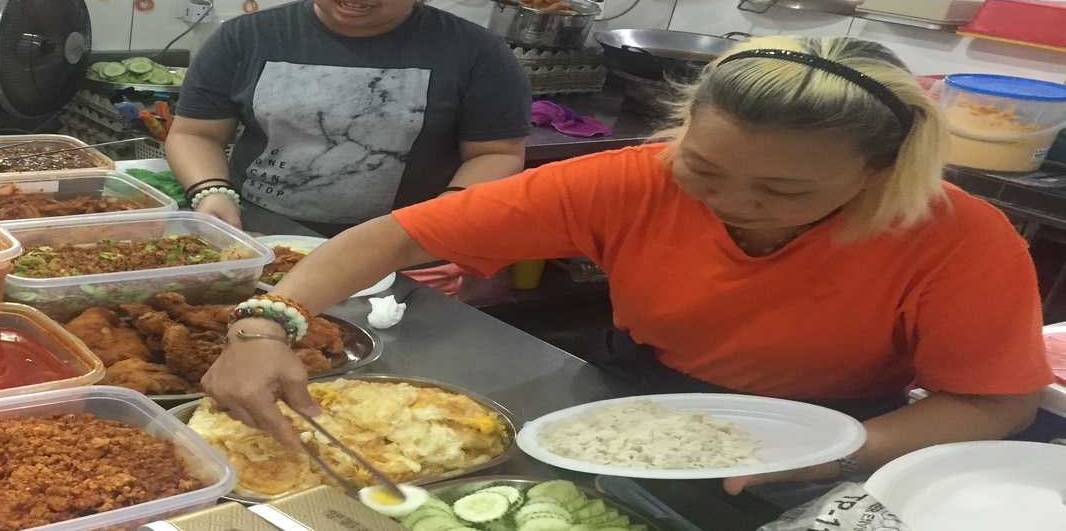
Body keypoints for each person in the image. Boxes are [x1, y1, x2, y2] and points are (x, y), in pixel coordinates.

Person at [202, 36, 1050, 496]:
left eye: (784, 190)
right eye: (703, 167)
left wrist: (834, 454)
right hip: (632, 389)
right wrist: (263, 325)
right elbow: (391, 237)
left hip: (836, 428)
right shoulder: (634, 178)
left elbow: (995, 400)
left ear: (878, 173)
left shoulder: (958, 237)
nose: (731, 202)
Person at [167, 0, 532, 236]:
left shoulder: (476, 52)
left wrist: (442, 218)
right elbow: (196, 133)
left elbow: (495, 154)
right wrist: (210, 192)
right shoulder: (247, 37)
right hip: (258, 235)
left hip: (408, 246)